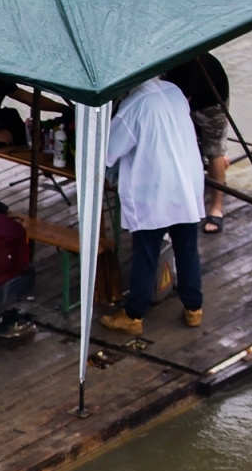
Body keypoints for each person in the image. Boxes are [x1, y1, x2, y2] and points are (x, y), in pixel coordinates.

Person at [98, 76, 205, 335]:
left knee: (146, 253)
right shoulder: (174, 90)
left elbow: (109, 151)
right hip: (186, 183)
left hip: (154, 189)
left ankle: (134, 315)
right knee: (187, 248)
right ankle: (194, 309)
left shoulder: (134, 106)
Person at [163, 52, 230, 233]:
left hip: (211, 100)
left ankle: (216, 208)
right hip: (184, 97)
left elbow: (182, 101)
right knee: (184, 145)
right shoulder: (163, 61)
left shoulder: (191, 62)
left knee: (214, 150)